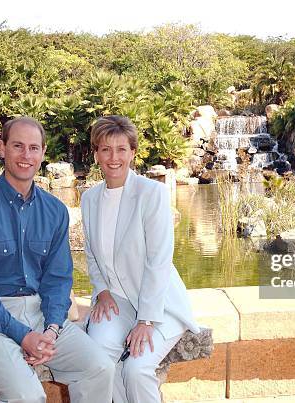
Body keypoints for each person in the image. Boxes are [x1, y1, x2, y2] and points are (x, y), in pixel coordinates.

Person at [0, 116, 115, 403]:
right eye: (17, 146)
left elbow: (58, 279)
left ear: (43, 152)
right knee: (28, 396)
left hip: (40, 316)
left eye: (33, 148)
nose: (26, 156)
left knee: (99, 368)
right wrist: (22, 335)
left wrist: (51, 328)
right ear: (1, 148)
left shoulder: (55, 211)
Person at [81, 115, 199, 403]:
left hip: (158, 306)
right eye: (106, 149)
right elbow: (91, 254)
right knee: (97, 360)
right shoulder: (89, 199)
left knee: (135, 369)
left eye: (122, 149)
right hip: (117, 303)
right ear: (96, 154)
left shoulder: (152, 193)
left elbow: (159, 261)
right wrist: (103, 291)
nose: (114, 157)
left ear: (133, 153)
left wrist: (146, 320)